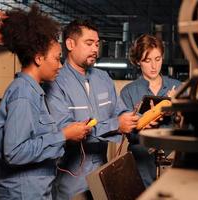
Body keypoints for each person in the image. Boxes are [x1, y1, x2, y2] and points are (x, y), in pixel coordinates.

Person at [0, 5, 92, 200]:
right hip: (22, 193)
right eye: (57, 58)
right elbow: (15, 152)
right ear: (38, 58)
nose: (60, 65)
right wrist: (63, 135)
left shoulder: (34, 92)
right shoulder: (23, 94)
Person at [44, 19, 139, 199]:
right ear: (70, 44)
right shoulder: (55, 82)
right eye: (89, 43)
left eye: (97, 44)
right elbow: (66, 129)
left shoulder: (103, 78)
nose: (95, 49)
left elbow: (120, 111)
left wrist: (139, 118)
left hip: (102, 174)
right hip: (70, 180)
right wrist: (116, 125)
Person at [120, 34, 181, 187]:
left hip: (172, 161)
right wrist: (142, 121)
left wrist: (178, 111)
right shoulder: (128, 92)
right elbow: (130, 135)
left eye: (158, 59)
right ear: (138, 61)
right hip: (141, 164)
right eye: (147, 60)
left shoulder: (178, 87)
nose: (154, 66)